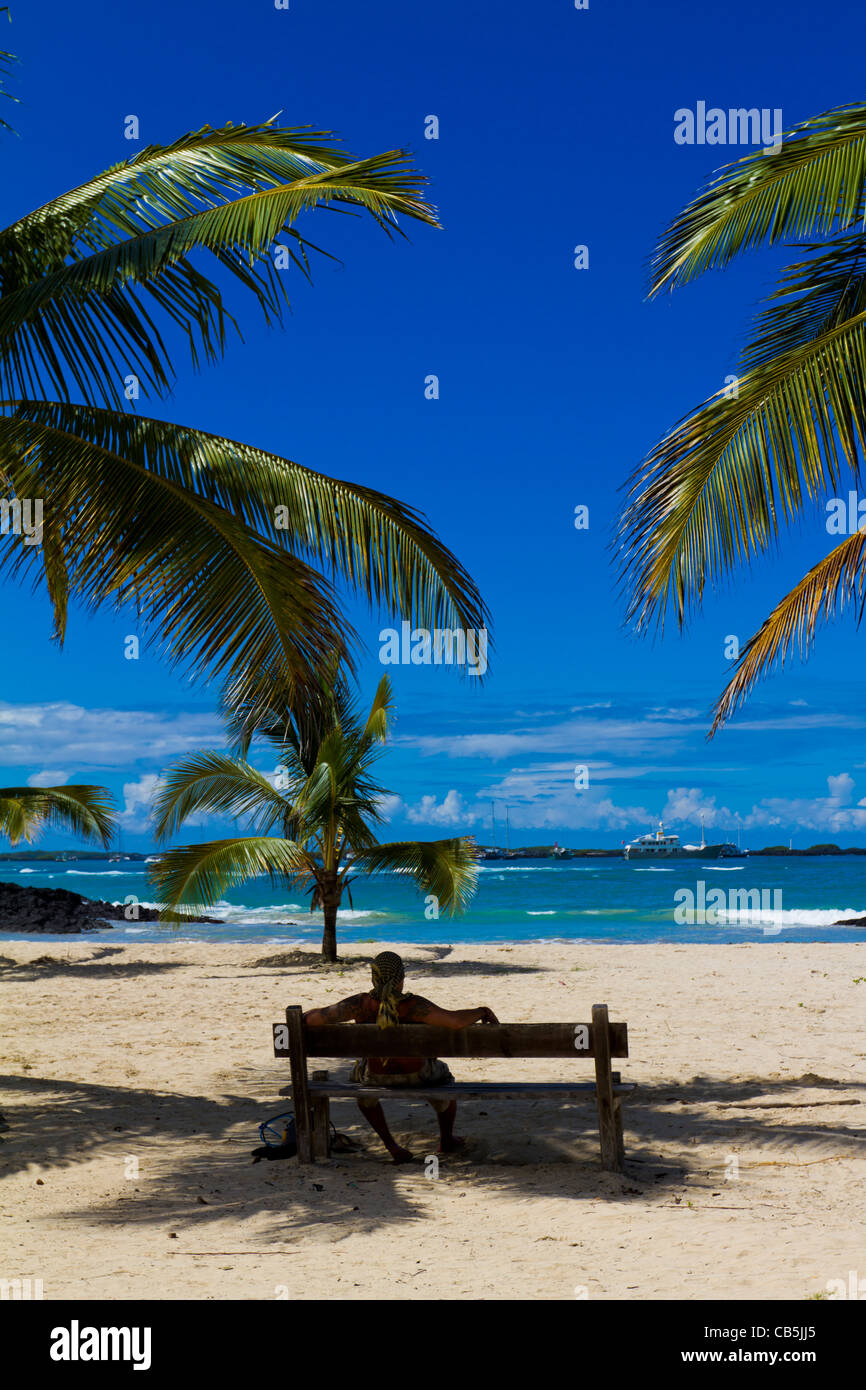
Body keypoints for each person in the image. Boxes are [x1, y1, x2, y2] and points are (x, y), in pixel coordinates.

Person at [303, 951, 499, 1163]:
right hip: (419, 1076)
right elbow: (455, 1021)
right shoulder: (414, 1006)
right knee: (444, 1076)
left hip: (374, 1077)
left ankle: (391, 1145)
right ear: (401, 978)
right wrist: (482, 1011)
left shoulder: (359, 1004)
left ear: (374, 977)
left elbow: (313, 1019)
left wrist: (302, 1015)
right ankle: (446, 1140)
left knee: (362, 1091)